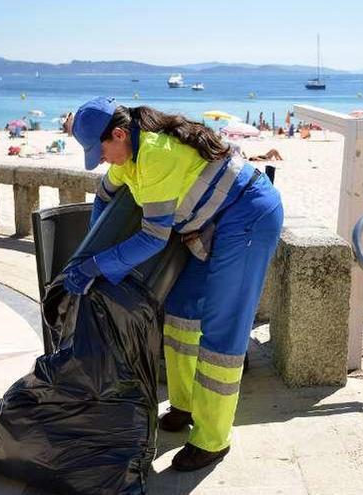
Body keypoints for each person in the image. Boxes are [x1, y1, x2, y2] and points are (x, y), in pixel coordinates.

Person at [67, 97, 283, 471]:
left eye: (99, 150)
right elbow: (105, 195)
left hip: (248, 218)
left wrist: (98, 265)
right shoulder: (129, 155)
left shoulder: (155, 154)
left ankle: (213, 438)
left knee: (222, 328)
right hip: (207, 224)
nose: (100, 159)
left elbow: (153, 238)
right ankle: (184, 405)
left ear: (118, 134)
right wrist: (88, 251)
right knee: (181, 312)